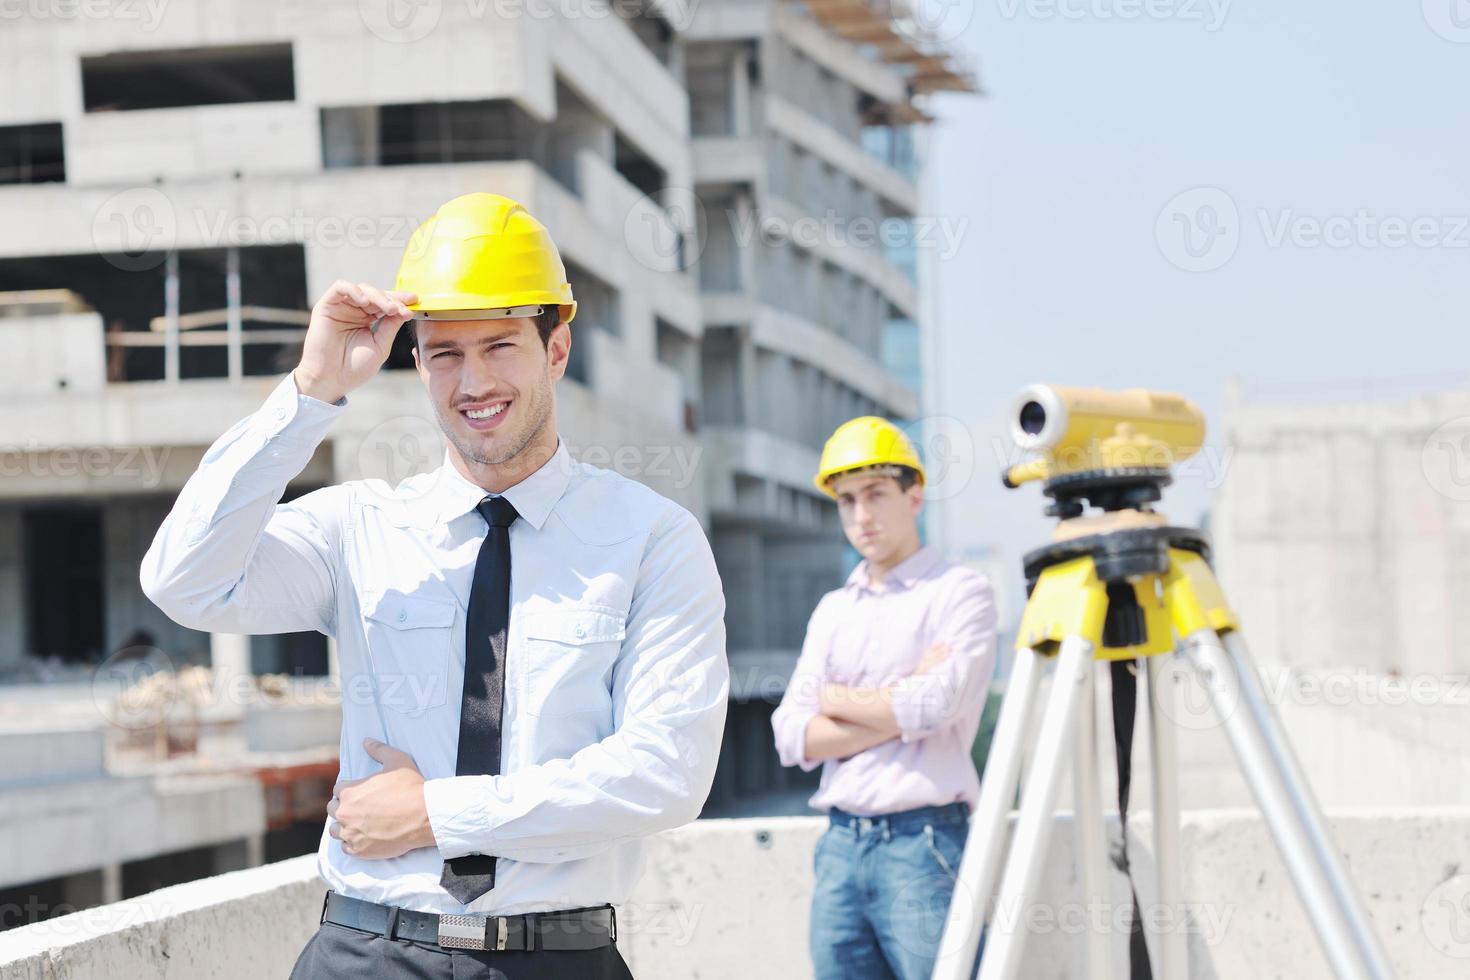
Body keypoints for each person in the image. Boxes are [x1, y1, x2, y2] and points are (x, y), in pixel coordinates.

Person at [141, 193, 729, 979]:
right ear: (415, 362)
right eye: (445, 352)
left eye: (500, 345)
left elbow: (665, 773)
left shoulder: (652, 539)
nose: (473, 381)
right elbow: (183, 581)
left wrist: (436, 814)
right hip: (365, 952)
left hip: (556, 957)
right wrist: (311, 392)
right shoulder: (358, 526)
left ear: (557, 348)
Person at [771, 417, 997, 980]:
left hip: (924, 843)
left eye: (875, 495)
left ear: (914, 493)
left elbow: (937, 706)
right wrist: (898, 701)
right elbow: (791, 732)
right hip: (841, 846)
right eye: (847, 501)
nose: (861, 516)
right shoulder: (834, 609)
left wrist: (836, 700)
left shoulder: (960, 591)